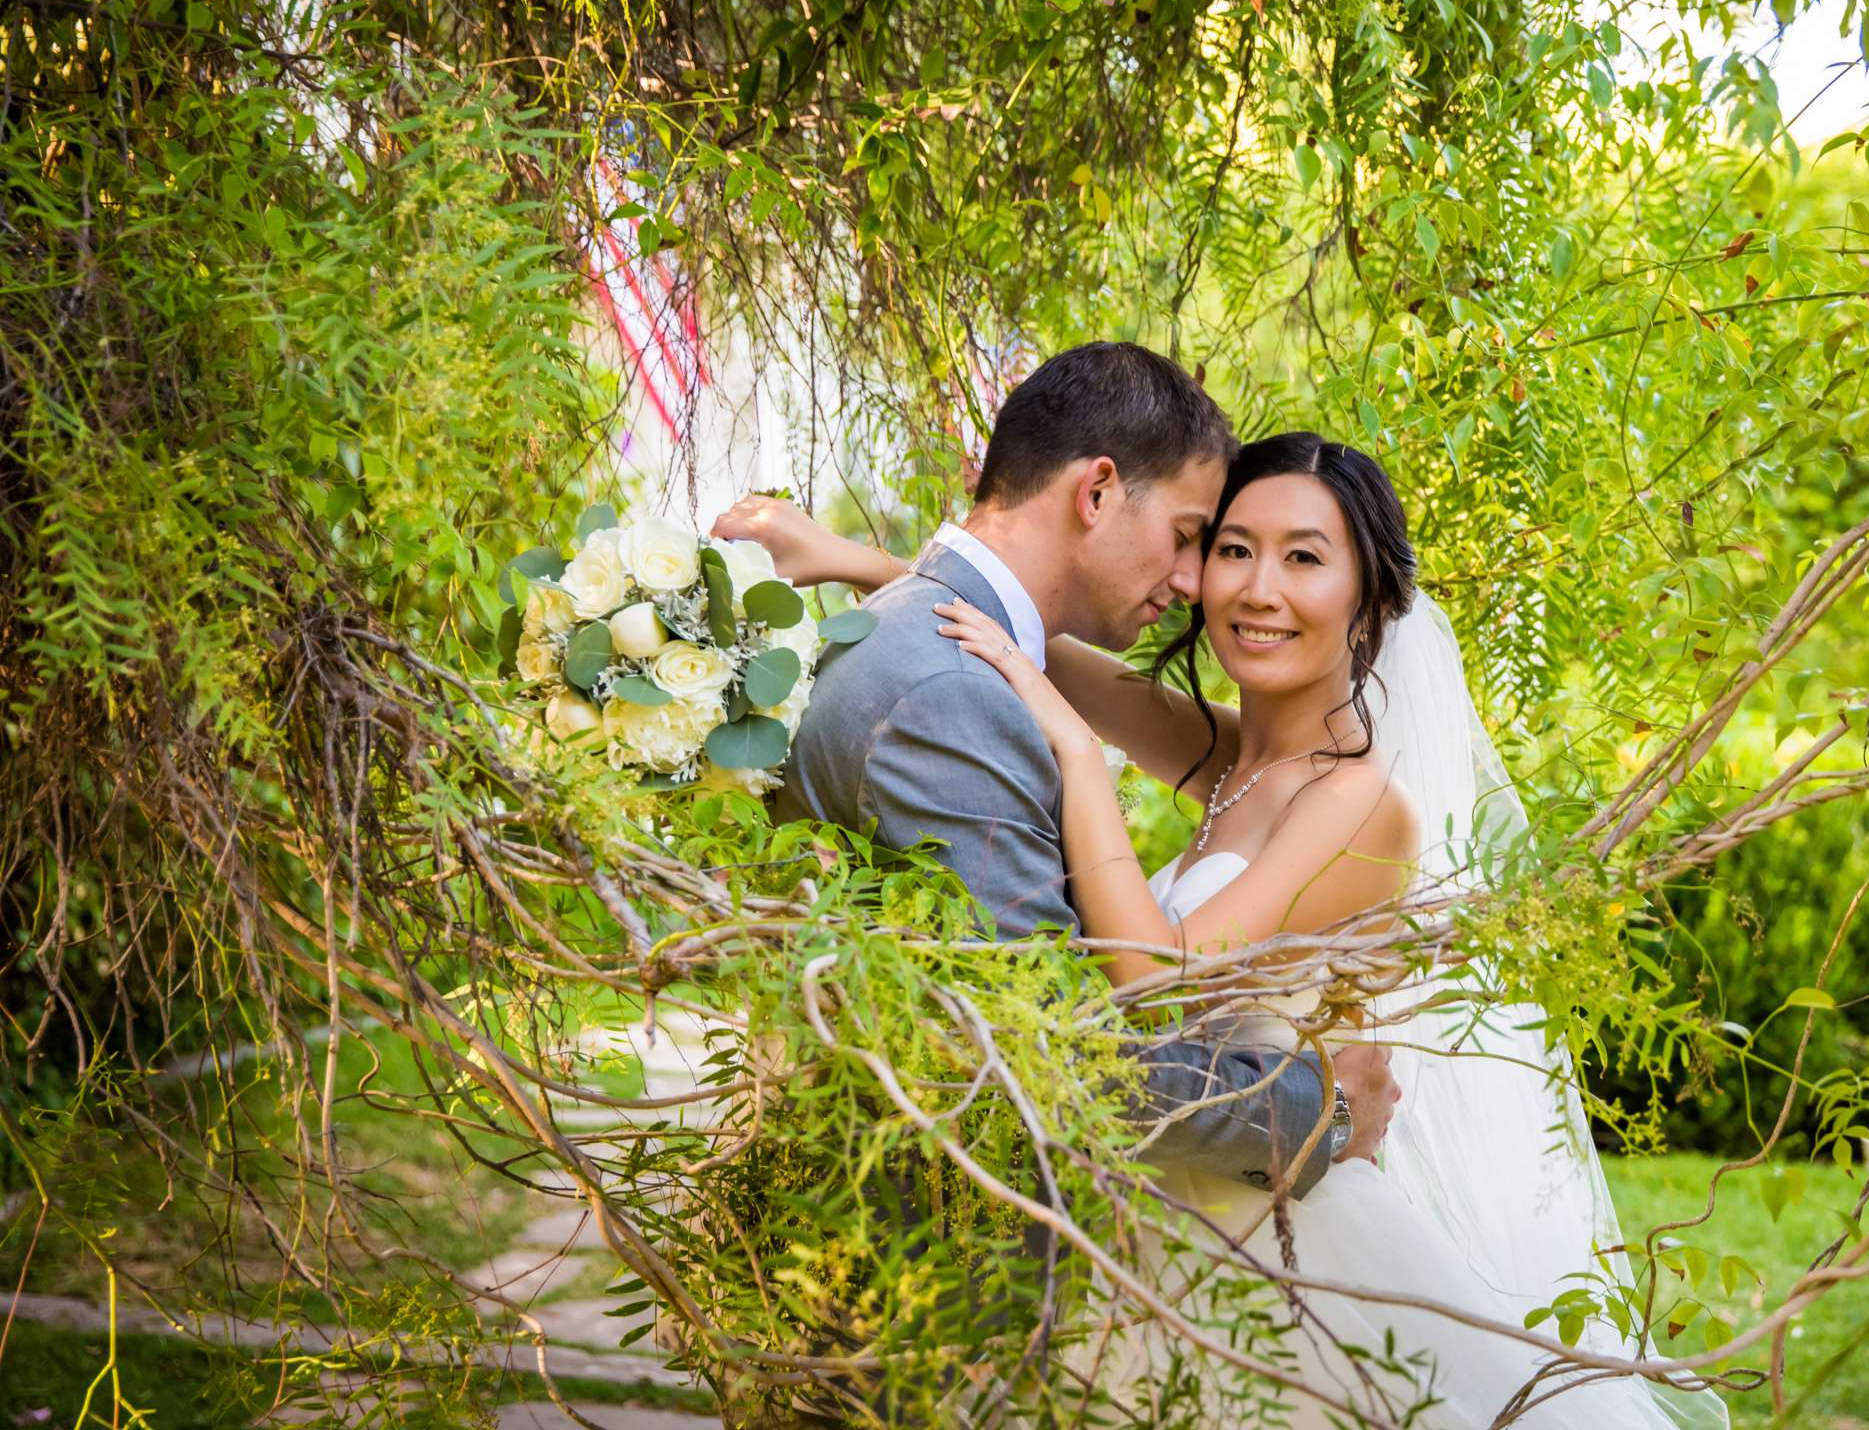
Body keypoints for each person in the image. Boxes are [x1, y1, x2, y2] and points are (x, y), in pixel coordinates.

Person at [720, 399, 1728, 1427]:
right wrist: (844, 556)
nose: (1254, 587)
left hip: (1281, 1221)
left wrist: (1078, 764)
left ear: (1371, 601)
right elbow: (1015, 633)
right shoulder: (1237, 754)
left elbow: (1156, 982)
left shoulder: (1358, 804)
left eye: (1304, 559)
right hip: (1177, 1187)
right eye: (1231, 547)